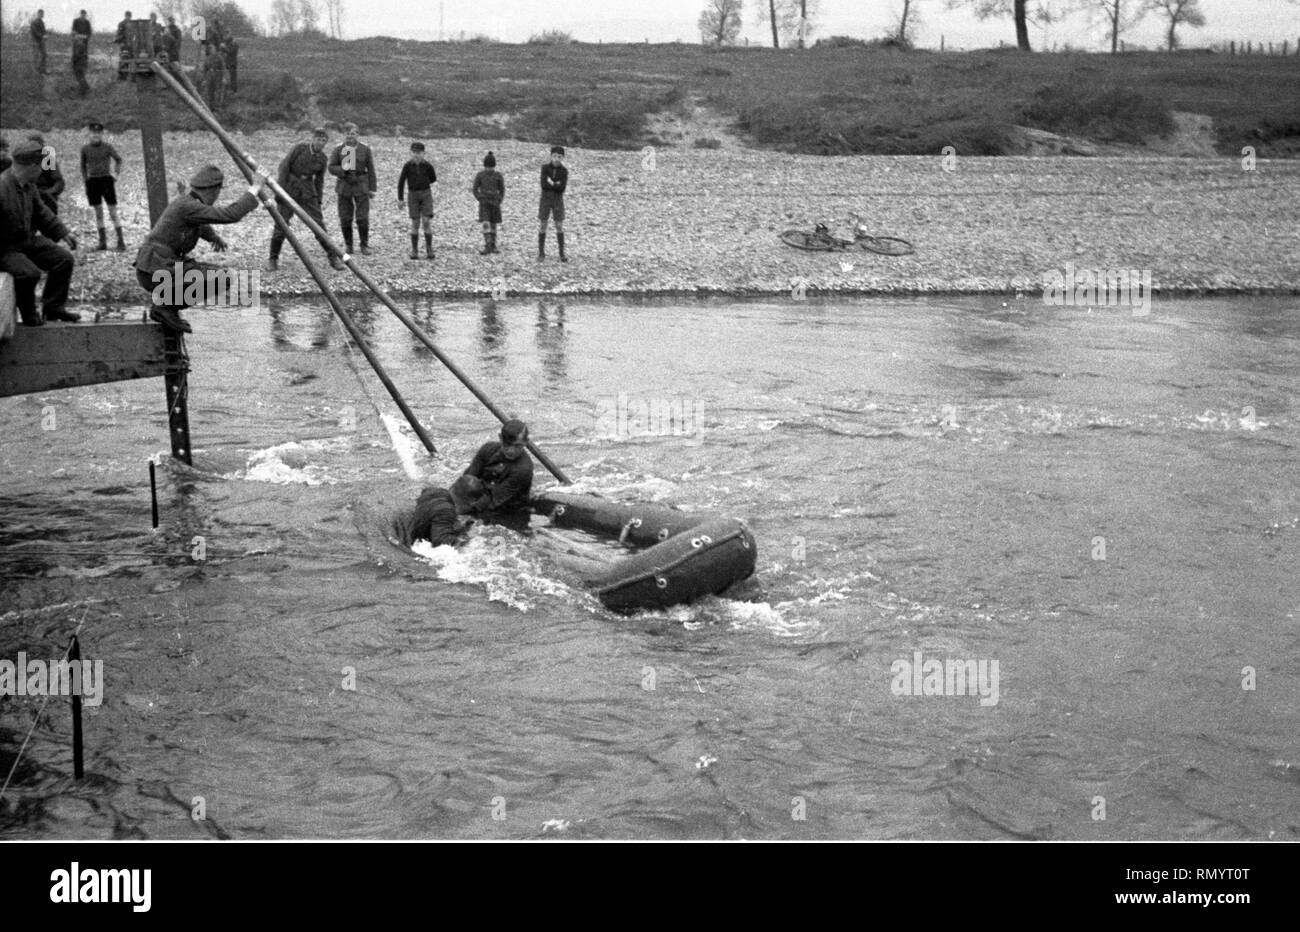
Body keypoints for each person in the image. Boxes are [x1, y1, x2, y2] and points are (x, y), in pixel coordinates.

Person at [133, 164, 263, 334]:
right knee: (222, 277)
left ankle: (167, 307)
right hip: (156, 270)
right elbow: (231, 214)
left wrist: (213, 237)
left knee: (217, 275)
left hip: (153, 269)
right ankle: (164, 307)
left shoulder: (188, 202)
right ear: (213, 190)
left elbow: (196, 223)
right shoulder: (189, 206)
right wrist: (255, 188)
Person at [0, 141, 81, 327]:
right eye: (42, 167)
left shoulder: (29, 185)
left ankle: (53, 308)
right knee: (29, 274)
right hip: (4, 249)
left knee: (63, 260)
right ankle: (29, 314)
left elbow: (42, 212)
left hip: (25, 241)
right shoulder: (2, 188)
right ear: (32, 166)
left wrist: (62, 232)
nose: (43, 171)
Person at [269, 128, 345, 271]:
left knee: (318, 225)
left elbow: (320, 180)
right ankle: (273, 258)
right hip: (290, 189)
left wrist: (319, 200)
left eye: (324, 141)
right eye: (318, 139)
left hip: (308, 192)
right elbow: (284, 167)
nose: (320, 143)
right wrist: (279, 191)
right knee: (281, 224)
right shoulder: (299, 149)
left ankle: (332, 257)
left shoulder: (322, 158)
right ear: (313, 138)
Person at [463, 419, 534, 530]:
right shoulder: (487, 450)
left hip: (509, 515)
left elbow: (492, 500)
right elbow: (466, 481)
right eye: (507, 445)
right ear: (500, 438)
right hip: (480, 503)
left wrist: (463, 514)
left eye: (517, 446)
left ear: (526, 442)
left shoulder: (523, 469)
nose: (511, 451)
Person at [328, 123, 377, 256]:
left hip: (361, 185)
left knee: (362, 217)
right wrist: (343, 170)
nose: (350, 136)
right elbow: (331, 167)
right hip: (344, 186)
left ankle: (364, 244)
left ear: (358, 135)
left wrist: (372, 188)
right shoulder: (338, 149)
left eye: (353, 133)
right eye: (348, 133)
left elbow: (371, 169)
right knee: (345, 217)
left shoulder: (365, 149)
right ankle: (349, 245)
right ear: (344, 135)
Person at [394, 475, 482, 548]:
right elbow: (440, 541)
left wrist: (464, 528)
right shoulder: (446, 510)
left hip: (403, 532)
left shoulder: (436, 492)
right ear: (470, 502)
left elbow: (436, 521)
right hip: (408, 545)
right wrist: (469, 540)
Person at [80, 122, 125, 251]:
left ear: (102, 134)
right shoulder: (85, 149)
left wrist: (116, 174)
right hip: (93, 182)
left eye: (98, 133)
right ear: (89, 134)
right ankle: (102, 242)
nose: (96, 135)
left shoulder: (107, 147)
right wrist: (85, 179)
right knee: (98, 213)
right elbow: (82, 166)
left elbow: (118, 159)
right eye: (94, 133)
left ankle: (121, 242)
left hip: (106, 180)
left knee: (113, 212)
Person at [397, 142, 437, 261]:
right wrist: (400, 199)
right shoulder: (407, 166)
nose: (416, 155)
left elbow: (433, 178)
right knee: (415, 222)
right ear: (411, 153)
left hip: (425, 194)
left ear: (423, 153)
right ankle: (414, 249)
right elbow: (401, 182)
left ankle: (429, 248)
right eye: (414, 152)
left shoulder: (428, 166)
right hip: (412, 195)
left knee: (426, 221)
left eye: (419, 153)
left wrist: (423, 184)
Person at [538, 145, 568, 262]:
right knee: (543, 224)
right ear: (551, 156)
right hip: (545, 199)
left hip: (557, 200)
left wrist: (551, 182)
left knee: (559, 225)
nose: (556, 159)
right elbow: (543, 185)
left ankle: (561, 252)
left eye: (559, 157)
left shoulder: (564, 171)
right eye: (554, 156)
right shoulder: (545, 168)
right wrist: (556, 183)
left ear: (562, 158)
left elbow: (562, 188)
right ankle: (541, 252)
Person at [472, 151, 504, 255]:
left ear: (494, 166)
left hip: (495, 202)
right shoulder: (480, 175)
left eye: (491, 167)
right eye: (487, 167)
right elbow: (475, 189)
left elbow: (502, 189)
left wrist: (499, 199)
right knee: (485, 222)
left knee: (493, 223)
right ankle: (487, 244)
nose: (489, 169)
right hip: (484, 202)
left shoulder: (498, 175)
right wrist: (480, 198)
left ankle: (493, 244)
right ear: (484, 166)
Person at [27, 133, 65, 216]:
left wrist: (49, 193)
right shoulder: (24, 160)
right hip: (29, 194)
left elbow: (59, 182)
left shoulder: (48, 160)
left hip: (45, 193)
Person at [71, 10, 91, 96]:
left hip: (81, 57)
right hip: (79, 55)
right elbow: (73, 31)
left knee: (79, 72)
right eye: (82, 14)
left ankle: (84, 89)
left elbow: (89, 33)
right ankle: (84, 88)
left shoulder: (87, 22)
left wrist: (83, 37)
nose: (83, 16)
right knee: (79, 73)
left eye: (84, 15)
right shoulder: (76, 21)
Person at [202, 42, 226, 108]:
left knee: (217, 90)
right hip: (210, 75)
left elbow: (223, 67)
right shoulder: (207, 58)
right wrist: (204, 79)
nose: (211, 50)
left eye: (212, 49)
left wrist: (224, 77)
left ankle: (217, 106)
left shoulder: (219, 57)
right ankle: (210, 106)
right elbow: (205, 69)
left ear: (215, 49)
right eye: (210, 49)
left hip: (217, 75)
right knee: (210, 90)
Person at [115, 10, 131, 81]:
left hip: (131, 44)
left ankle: (130, 75)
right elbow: (119, 34)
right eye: (127, 16)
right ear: (125, 16)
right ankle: (121, 76)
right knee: (123, 59)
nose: (128, 17)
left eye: (129, 16)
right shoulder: (121, 24)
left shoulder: (132, 23)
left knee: (131, 58)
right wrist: (121, 42)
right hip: (124, 44)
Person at [30, 10, 48, 74]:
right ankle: (35, 70)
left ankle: (42, 69)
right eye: (41, 14)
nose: (42, 15)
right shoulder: (34, 22)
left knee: (44, 54)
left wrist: (45, 35)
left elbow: (44, 30)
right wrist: (42, 36)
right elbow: (35, 32)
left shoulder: (42, 22)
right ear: (38, 14)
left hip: (41, 41)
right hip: (35, 41)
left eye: (43, 14)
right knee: (36, 56)